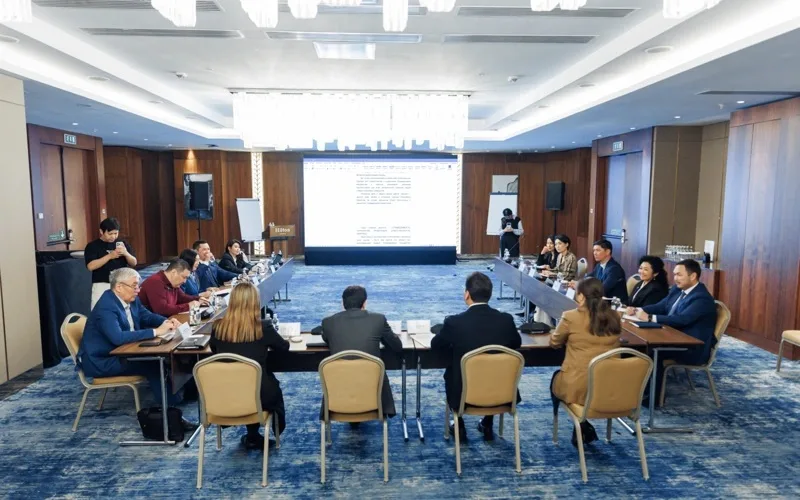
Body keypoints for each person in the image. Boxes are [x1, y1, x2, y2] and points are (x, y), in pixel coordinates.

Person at [431, 272, 521, 441]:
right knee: (493, 369)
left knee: (452, 372)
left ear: (467, 294)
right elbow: (516, 343)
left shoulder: (454, 323)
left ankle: (459, 423)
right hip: (502, 393)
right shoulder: (506, 320)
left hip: (464, 394)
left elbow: (436, 345)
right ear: (490, 294)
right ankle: (488, 421)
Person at [77, 268, 181, 405]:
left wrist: (167, 322)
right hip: (103, 360)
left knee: (166, 357)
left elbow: (146, 316)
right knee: (155, 363)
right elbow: (118, 338)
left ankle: (181, 394)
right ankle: (171, 407)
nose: (138, 290)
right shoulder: (106, 307)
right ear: (119, 287)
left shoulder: (130, 299)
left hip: (124, 350)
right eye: (134, 286)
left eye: (138, 286)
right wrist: (156, 332)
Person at [210, 283, 290, 450]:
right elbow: (284, 348)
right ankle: (265, 432)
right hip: (259, 395)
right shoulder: (263, 327)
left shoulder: (217, 327)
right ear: (255, 302)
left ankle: (252, 435)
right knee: (270, 386)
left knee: (248, 381)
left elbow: (215, 351)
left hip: (226, 393)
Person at [628, 259, 717, 401]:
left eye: (679, 275)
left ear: (693, 276)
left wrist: (650, 318)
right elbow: (661, 306)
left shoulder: (701, 298)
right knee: (637, 346)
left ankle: (653, 398)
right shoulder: (677, 289)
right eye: (674, 274)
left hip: (692, 347)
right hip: (672, 336)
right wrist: (638, 309)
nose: (675, 278)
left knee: (653, 352)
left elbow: (682, 319)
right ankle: (635, 388)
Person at [550, 277, 621, 447]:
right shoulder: (615, 316)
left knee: (555, 381)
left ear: (581, 296)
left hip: (579, 385)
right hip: (610, 385)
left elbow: (554, 342)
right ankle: (582, 427)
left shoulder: (571, 317)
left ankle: (581, 425)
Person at [320, 286, 403, 422]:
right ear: (364, 303)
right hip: (374, 396)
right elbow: (397, 347)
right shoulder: (378, 320)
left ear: (343, 304)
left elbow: (327, 339)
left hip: (339, 394)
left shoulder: (328, 323)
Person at [84, 217, 137, 309]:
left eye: (116, 233)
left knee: (123, 310)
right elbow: (90, 266)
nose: (113, 236)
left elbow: (134, 262)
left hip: (121, 284)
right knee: (100, 310)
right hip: (102, 284)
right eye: (110, 234)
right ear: (101, 231)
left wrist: (126, 253)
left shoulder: (122, 243)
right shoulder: (93, 246)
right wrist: (109, 256)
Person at [139, 259, 206, 317]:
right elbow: (162, 310)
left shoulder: (173, 283)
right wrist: (188, 306)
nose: (185, 281)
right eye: (184, 277)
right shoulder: (155, 282)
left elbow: (182, 298)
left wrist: (198, 299)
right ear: (174, 272)